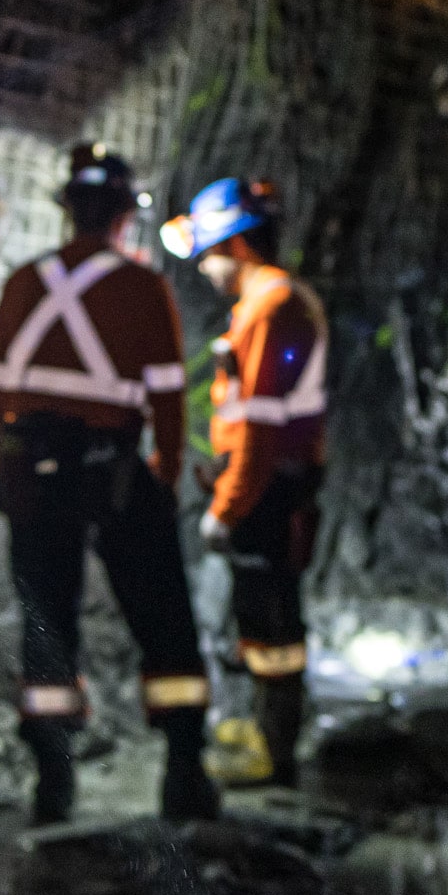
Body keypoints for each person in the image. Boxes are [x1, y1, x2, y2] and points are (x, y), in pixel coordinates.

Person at [0, 143, 217, 824]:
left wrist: (9, 469)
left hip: (35, 470)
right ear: (120, 216)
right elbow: (169, 401)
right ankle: (184, 771)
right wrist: (163, 479)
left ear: (69, 212)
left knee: (46, 625)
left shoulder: (24, 281)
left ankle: (52, 781)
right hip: (112, 468)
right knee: (163, 616)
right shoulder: (143, 287)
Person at [162, 177, 327, 790]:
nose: (204, 266)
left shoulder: (269, 306)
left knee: (269, 620)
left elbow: (260, 425)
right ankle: (269, 731)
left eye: (207, 251)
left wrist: (226, 507)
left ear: (235, 243)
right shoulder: (281, 301)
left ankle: (274, 751)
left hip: (268, 492)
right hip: (275, 485)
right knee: (268, 613)